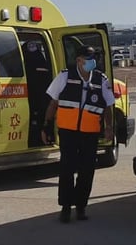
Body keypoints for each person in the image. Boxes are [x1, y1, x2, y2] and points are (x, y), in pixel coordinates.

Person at [44, 46, 115, 223]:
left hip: (90, 133)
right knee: (67, 170)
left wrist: (109, 127)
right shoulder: (65, 76)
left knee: (86, 171)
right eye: (88, 58)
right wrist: (46, 126)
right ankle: (66, 208)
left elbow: (108, 105)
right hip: (68, 132)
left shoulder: (101, 79)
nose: (92, 62)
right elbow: (53, 103)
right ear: (79, 60)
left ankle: (81, 206)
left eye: (94, 58)